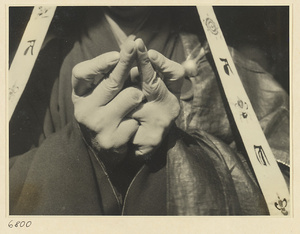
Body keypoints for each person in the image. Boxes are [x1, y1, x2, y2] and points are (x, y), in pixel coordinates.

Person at [9, 6, 289, 215]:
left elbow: (286, 195)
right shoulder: (38, 70)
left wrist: (179, 149)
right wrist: (80, 148)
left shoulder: (230, 70)